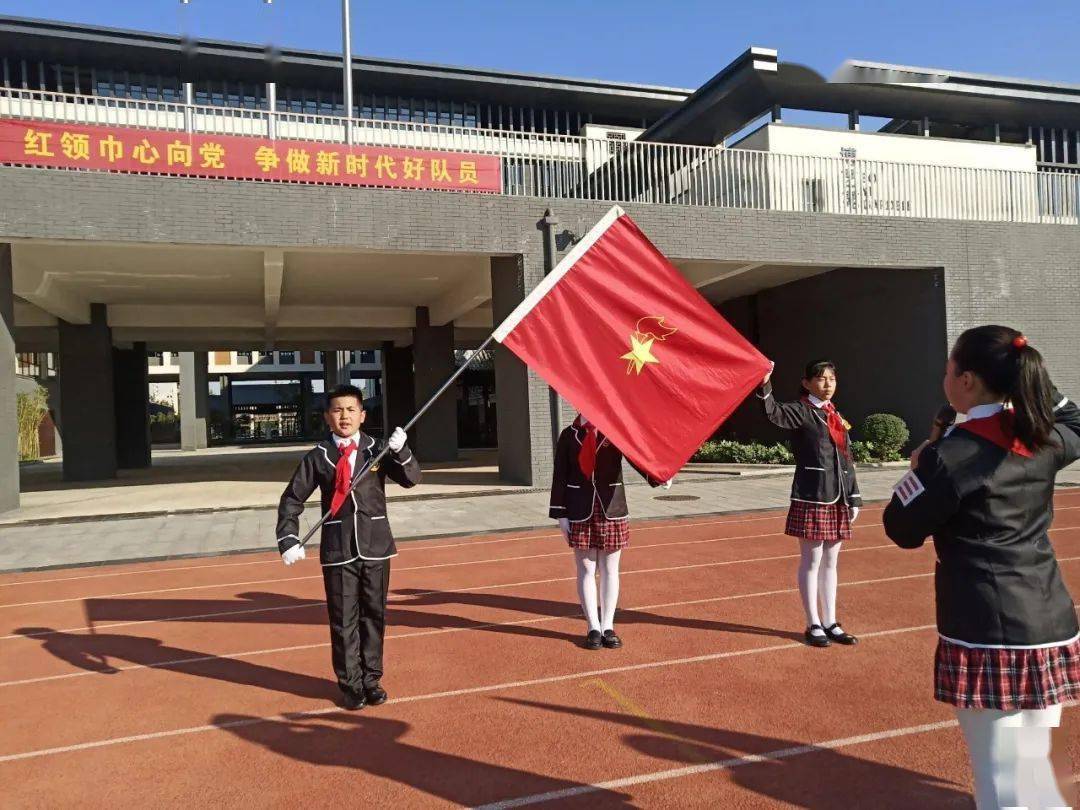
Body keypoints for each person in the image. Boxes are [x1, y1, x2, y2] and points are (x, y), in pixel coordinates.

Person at [883, 325, 1080, 810]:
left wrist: (920, 467)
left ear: (967, 380)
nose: (945, 377)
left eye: (950, 369)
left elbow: (901, 527)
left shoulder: (951, 456)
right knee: (1032, 771)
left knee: (998, 781)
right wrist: (1032, 381)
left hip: (985, 629)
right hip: (1048, 618)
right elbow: (1073, 416)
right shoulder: (1042, 437)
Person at [276, 384, 420, 710]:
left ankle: (372, 680)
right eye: (338, 410)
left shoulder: (378, 450)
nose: (345, 416)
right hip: (338, 549)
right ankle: (350, 684)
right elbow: (292, 498)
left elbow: (412, 478)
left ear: (362, 415)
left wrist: (403, 451)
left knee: (374, 617)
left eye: (351, 409)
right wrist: (288, 538)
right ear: (328, 416)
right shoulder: (319, 456)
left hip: (377, 546)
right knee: (343, 620)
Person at [759, 360, 862, 648]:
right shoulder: (802, 411)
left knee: (832, 561)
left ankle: (831, 621)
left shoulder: (834, 414)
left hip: (838, 495)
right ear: (806, 383)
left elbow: (846, 458)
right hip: (813, 494)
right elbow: (773, 413)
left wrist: (853, 495)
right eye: (820, 379)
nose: (827, 384)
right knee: (812, 559)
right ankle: (812, 622)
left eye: (831, 379)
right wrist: (764, 383)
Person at [549, 414, 669, 650]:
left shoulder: (615, 429)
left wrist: (658, 474)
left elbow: (637, 456)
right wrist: (560, 513)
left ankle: (608, 625)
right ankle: (592, 626)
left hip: (612, 506)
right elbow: (560, 475)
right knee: (585, 568)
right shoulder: (568, 435)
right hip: (578, 509)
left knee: (610, 569)